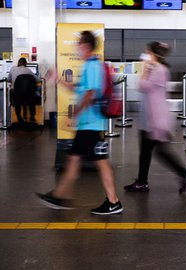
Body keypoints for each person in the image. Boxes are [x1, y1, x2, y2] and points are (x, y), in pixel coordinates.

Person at [36, 31, 123, 215]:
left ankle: (113, 202)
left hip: (91, 124)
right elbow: (80, 89)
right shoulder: (88, 66)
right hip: (86, 124)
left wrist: (75, 114)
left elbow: (91, 93)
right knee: (74, 160)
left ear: (85, 46)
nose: (77, 48)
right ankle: (59, 196)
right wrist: (59, 79)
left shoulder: (92, 66)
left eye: (78, 44)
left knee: (100, 162)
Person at [124, 41, 186, 193]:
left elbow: (143, 86)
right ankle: (142, 181)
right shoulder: (156, 68)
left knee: (159, 151)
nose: (144, 53)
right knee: (149, 151)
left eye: (147, 51)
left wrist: (145, 69)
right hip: (150, 117)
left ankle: (185, 175)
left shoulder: (159, 69)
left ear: (152, 53)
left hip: (155, 119)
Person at [8, 57, 41, 123]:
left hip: (17, 94)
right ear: (25, 64)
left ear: (18, 63)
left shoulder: (12, 69)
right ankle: (32, 116)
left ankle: (18, 116)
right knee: (32, 96)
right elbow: (38, 80)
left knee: (17, 98)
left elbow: (9, 79)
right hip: (28, 95)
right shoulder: (28, 70)